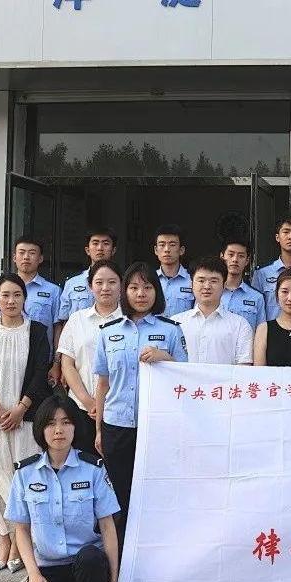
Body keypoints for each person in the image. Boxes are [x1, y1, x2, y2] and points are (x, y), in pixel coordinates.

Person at [93, 262, 189, 551]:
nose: (140, 293)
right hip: (117, 425)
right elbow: (103, 384)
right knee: (119, 495)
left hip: (157, 426)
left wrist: (164, 357)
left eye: (147, 287)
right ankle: (120, 558)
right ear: (125, 292)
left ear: (156, 292)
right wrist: (99, 430)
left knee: (155, 492)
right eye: (134, 287)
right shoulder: (108, 332)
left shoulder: (171, 330)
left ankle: (153, 553)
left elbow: (186, 377)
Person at [6, 398, 120, 582]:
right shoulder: (25, 473)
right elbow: (21, 529)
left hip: (87, 565)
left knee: (90, 559)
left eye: (66, 422)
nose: (59, 430)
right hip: (49, 567)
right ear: (41, 430)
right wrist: (34, 575)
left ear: (75, 427)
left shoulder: (94, 470)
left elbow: (107, 526)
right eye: (51, 424)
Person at [0, 272, 52, 574]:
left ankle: (21, 542)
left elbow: (40, 375)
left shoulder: (37, 331)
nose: (11, 300)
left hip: (27, 419)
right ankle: (4, 540)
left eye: (17, 295)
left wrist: (20, 409)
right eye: (5, 295)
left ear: (24, 299)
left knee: (23, 480)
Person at [57, 260, 123, 456]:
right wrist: (88, 401)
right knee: (82, 464)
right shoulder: (77, 319)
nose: (105, 288)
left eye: (112, 282)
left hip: (118, 409)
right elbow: (67, 364)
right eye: (99, 282)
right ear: (90, 286)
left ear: (121, 285)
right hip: (80, 408)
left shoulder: (130, 321)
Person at [0, 236, 60, 362]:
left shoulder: (53, 291)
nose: (26, 257)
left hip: (41, 359)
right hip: (5, 357)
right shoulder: (2, 288)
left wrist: (56, 363)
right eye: (22, 252)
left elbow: (57, 328)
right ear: (14, 257)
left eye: (32, 253)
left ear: (40, 258)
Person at [57, 229, 118, 375]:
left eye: (105, 243)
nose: (100, 248)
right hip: (78, 354)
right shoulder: (72, 283)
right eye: (95, 243)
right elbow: (63, 323)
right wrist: (60, 363)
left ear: (114, 250)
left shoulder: (122, 282)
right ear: (87, 250)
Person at [172, 256, 254, 365]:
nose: (207, 286)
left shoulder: (240, 325)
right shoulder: (175, 323)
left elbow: (244, 368)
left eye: (213, 281)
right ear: (191, 285)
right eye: (201, 280)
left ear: (224, 285)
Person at [219, 237, 266, 331]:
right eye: (231, 254)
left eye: (241, 256)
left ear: (247, 261)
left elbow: (261, 332)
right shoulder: (210, 293)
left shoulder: (256, 297)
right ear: (222, 256)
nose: (235, 259)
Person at [153, 224, 195, 317]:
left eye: (172, 245)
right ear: (156, 250)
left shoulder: (192, 280)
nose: (167, 249)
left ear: (181, 250)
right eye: (162, 245)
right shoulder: (149, 279)